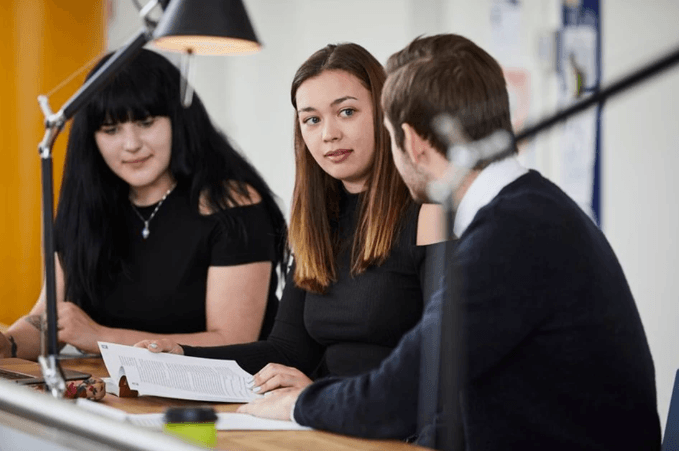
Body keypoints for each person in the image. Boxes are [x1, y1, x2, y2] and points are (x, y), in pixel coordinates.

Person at [237, 34, 661, 450]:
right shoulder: (533, 210)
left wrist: (300, 404)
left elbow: (400, 394)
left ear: (412, 142)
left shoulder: (511, 234)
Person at [136, 43, 445, 389]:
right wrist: (183, 356)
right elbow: (287, 351)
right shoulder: (319, 222)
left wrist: (317, 397)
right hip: (322, 413)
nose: (329, 134)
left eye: (347, 112)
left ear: (384, 112)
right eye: (312, 120)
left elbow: (443, 364)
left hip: (380, 416)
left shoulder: (430, 214)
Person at [0, 49, 288, 360]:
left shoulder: (231, 204)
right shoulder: (86, 206)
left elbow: (233, 340)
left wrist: (101, 337)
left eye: (146, 123)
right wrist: (8, 343)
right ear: (91, 138)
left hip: (225, 388)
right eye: (111, 130)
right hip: (114, 387)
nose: (131, 144)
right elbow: (50, 319)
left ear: (178, 119)